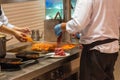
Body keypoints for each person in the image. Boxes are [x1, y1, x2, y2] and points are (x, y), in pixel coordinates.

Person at [54, 0, 120, 80]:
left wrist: (62, 26)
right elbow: (105, 19)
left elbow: (77, 24)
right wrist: (83, 33)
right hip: (111, 50)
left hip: (95, 52)